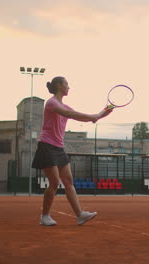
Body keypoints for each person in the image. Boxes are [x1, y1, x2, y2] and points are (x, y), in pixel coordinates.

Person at [32, 76, 112, 226]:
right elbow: (69, 114)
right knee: (54, 182)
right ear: (59, 86)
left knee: (68, 181)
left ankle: (80, 215)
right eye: (67, 84)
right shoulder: (51, 102)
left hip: (58, 147)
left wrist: (103, 112)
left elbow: (84, 117)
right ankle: (44, 216)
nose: (69, 87)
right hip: (46, 146)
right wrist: (93, 117)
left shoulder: (66, 106)